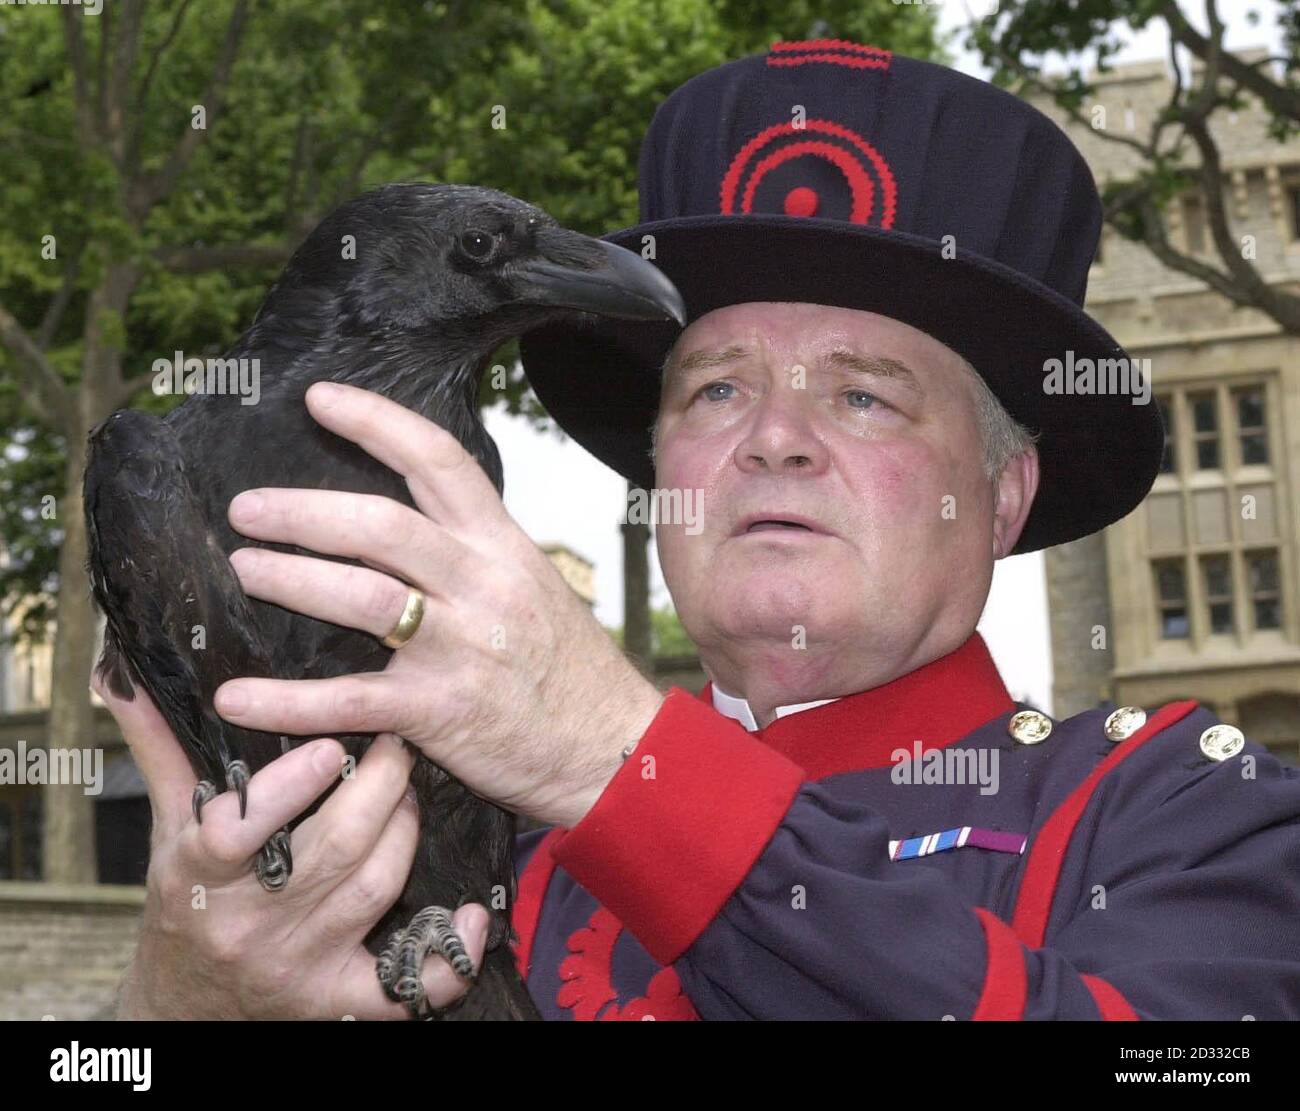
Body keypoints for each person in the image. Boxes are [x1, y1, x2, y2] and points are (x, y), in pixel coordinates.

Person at [104, 41, 1300, 1020]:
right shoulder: (432, 830)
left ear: (1001, 494)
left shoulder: (1190, 816)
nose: (773, 439)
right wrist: (173, 1002)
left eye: (863, 392)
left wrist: (617, 762)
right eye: (717, 389)